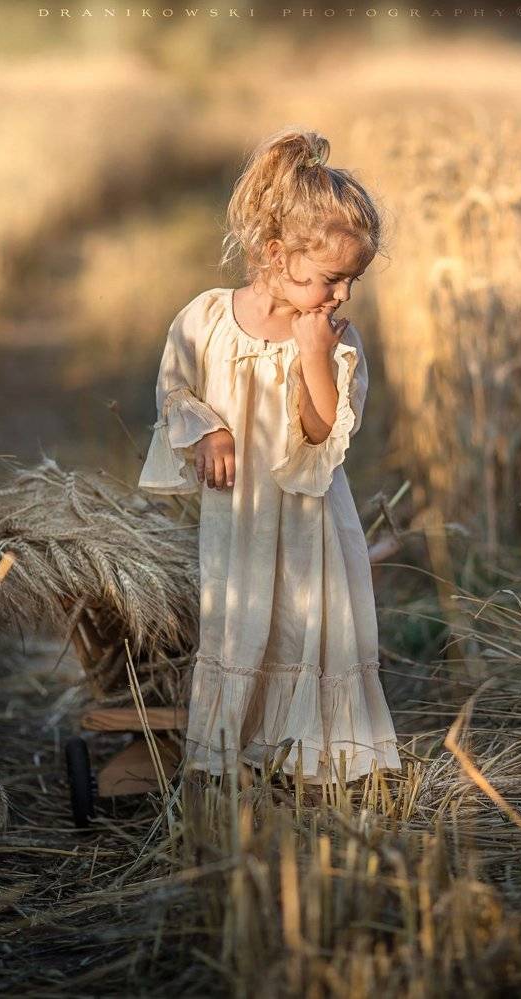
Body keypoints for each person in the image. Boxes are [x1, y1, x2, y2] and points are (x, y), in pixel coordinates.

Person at [137, 126, 401, 784]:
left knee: (306, 625)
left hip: (310, 521)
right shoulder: (205, 320)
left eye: (352, 281)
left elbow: (319, 431)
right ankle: (233, 751)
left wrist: (313, 356)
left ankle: (315, 758)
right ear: (275, 254)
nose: (341, 295)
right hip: (238, 517)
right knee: (242, 617)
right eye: (330, 279)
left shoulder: (337, 344)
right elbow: (175, 389)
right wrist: (207, 431)